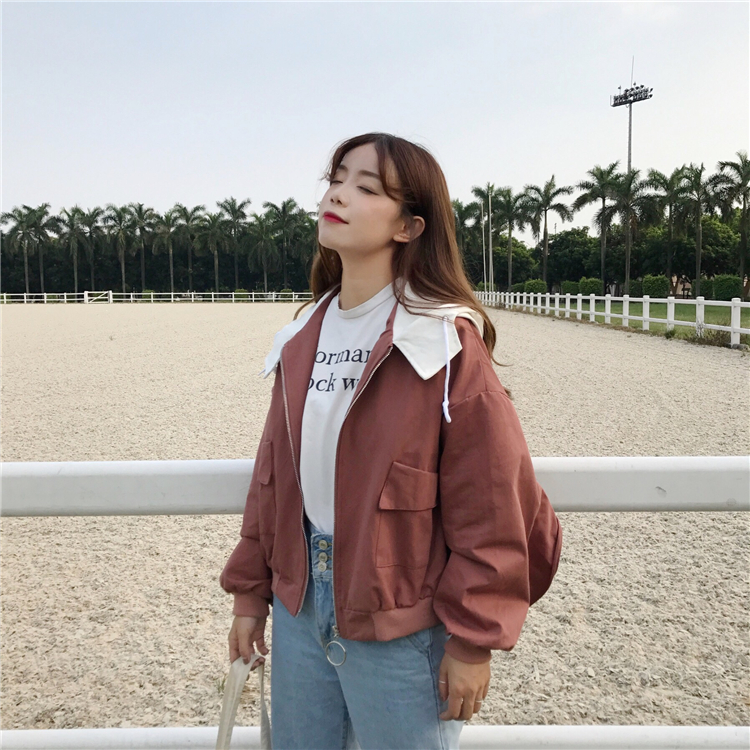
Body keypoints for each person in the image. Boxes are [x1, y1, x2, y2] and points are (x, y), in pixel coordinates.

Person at [219, 132, 563, 749]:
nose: (338, 195)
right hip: (298, 606)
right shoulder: (299, 340)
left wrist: (473, 639)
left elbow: (491, 499)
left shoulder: (443, 341)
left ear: (409, 226)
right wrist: (250, 593)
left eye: (367, 187)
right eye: (336, 179)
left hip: (401, 617)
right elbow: (272, 482)